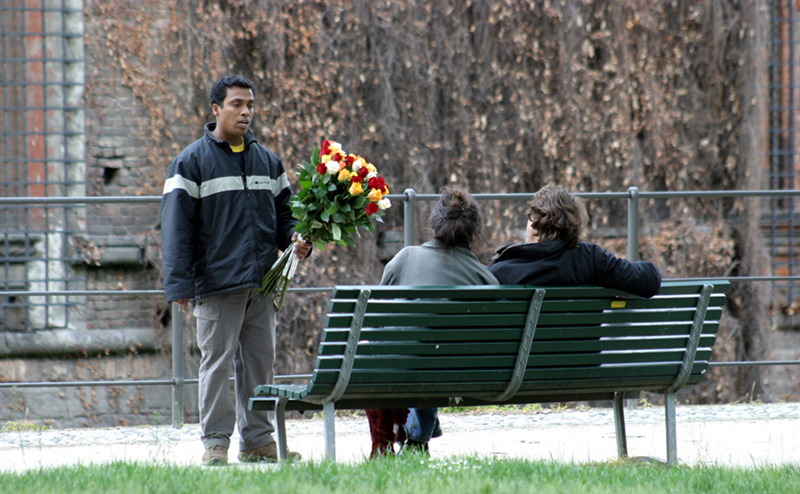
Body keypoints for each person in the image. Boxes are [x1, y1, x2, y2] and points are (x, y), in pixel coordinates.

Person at [161, 75, 312, 466]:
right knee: (216, 365)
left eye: (250, 105)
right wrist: (180, 286)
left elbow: (285, 216)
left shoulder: (268, 162)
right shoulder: (190, 162)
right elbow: (176, 229)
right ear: (216, 109)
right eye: (237, 104)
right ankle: (215, 443)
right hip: (216, 284)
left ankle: (258, 441)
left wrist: (297, 238)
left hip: (262, 283)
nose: (246, 112)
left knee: (260, 365)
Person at [366, 187, 499, 457]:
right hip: (460, 375)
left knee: (417, 351)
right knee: (435, 355)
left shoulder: (403, 259)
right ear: (473, 235)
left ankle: (413, 434)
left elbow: (376, 326)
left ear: (434, 227)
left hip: (402, 371)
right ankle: (419, 436)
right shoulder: (484, 278)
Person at [489, 184, 661, 297]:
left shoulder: (502, 271)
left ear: (533, 224)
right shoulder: (591, 259)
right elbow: (650, 279)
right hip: (582, 344)